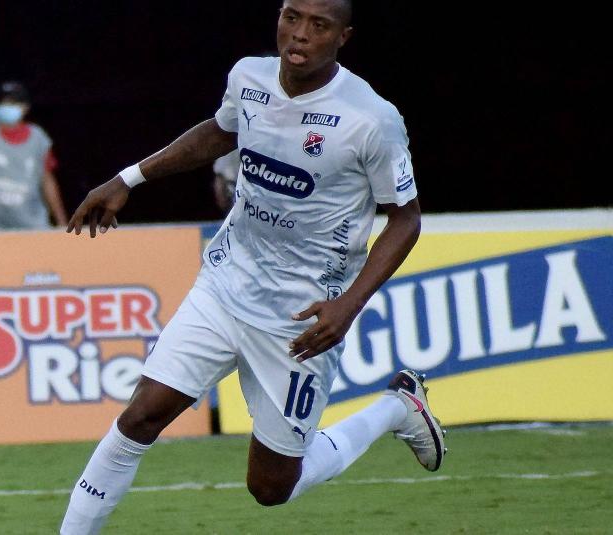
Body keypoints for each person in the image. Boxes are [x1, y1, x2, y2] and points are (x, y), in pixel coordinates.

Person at [59, 0, 443, 532]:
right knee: (140, 416)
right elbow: (221, 132)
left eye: (319, 25)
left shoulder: (371, 119)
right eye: (291, 17)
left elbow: (405, 219)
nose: (300, 33)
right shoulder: (249, 76)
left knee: (270, 488)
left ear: (343, 37)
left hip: (300, 317)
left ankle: (397, 408)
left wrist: (349, 304)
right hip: (225, 284)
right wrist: (129, 179)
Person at [0, 81, 68, 230]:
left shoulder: (39, 138)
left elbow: (47, 180)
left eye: (13, 102)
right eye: (3, 102)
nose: (7, 106)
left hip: (30, 224)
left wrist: (61, 222)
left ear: (25, 107)